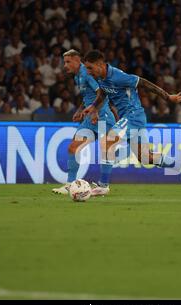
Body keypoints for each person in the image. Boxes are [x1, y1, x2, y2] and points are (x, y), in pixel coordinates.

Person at [82, 50, 181, 190]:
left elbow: (143, 83)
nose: (88, 72)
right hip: (135, 117)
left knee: (107, 142)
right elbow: (103, 93)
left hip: (132, 115)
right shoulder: (102, 78)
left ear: (100, 64)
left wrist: (167, 97)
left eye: (90, 68)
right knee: (145, 158)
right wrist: (94, 107)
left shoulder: (118, 76)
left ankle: (103, 185)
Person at [52, 49, 117, 196]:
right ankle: (70, 184)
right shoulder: (77, 77)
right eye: (64, 62)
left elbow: (102, 93)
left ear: (77, 60)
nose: (65, 65)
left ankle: (104, 186)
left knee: (107, 150)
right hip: (89, 119)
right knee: (73, 148)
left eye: (68, 62)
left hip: (102, 117)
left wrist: (94, 111)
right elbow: (88, 96)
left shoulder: (87, 73)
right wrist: (80, 109)